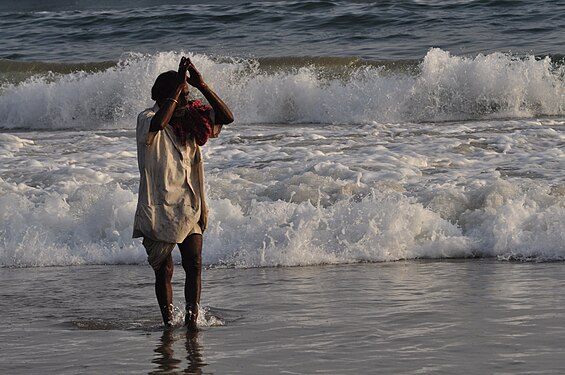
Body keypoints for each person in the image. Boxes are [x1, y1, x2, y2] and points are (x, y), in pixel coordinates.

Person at [133, 56, 234, 330]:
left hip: (190, 204)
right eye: (182, 95)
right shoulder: (148, 118)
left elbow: (227, 117)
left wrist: (201, 85)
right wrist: (179, 88)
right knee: (164, 270)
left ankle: (191, 321)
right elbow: (159, 125)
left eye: (187, 95)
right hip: (159, 207)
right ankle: (168, 324)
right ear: (169, 96)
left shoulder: (191, 120)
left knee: (195, 263)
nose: (187, 101)